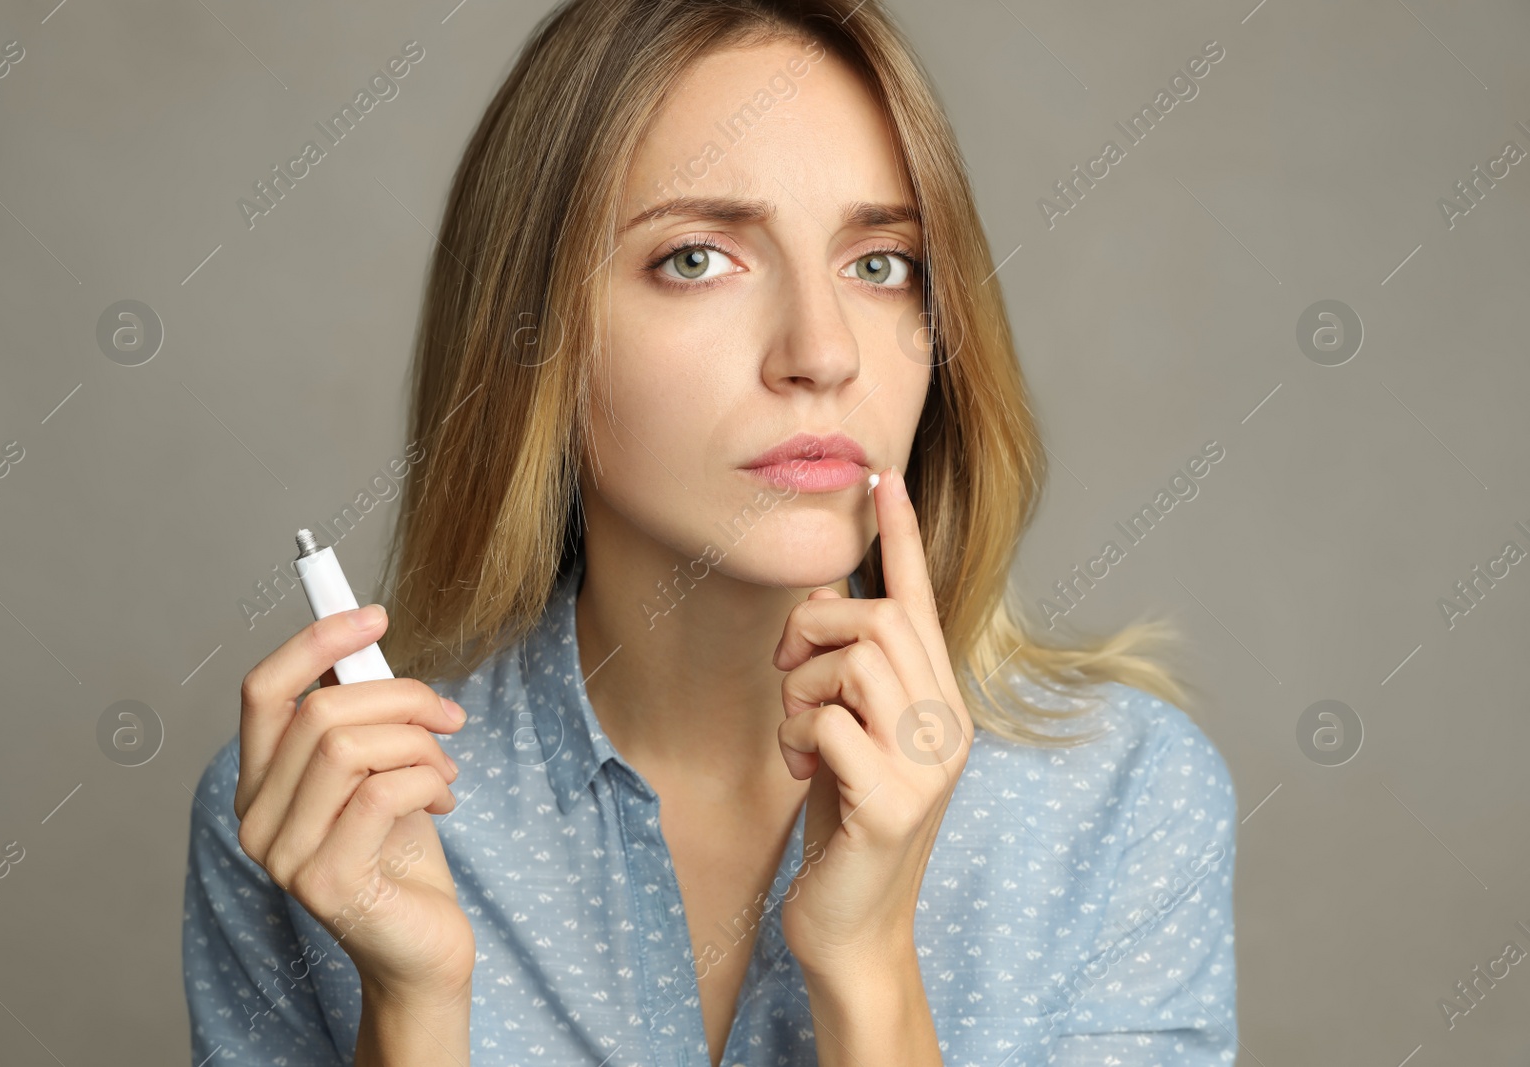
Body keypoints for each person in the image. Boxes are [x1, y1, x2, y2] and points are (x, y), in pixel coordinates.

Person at [183, 0, 1238, 1063]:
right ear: (531, 332)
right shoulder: (315, 811)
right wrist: (412, 1007)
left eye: (878, 263)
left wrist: (866, 966)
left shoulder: (1120, 799)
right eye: (697, 258)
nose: (821, 353)